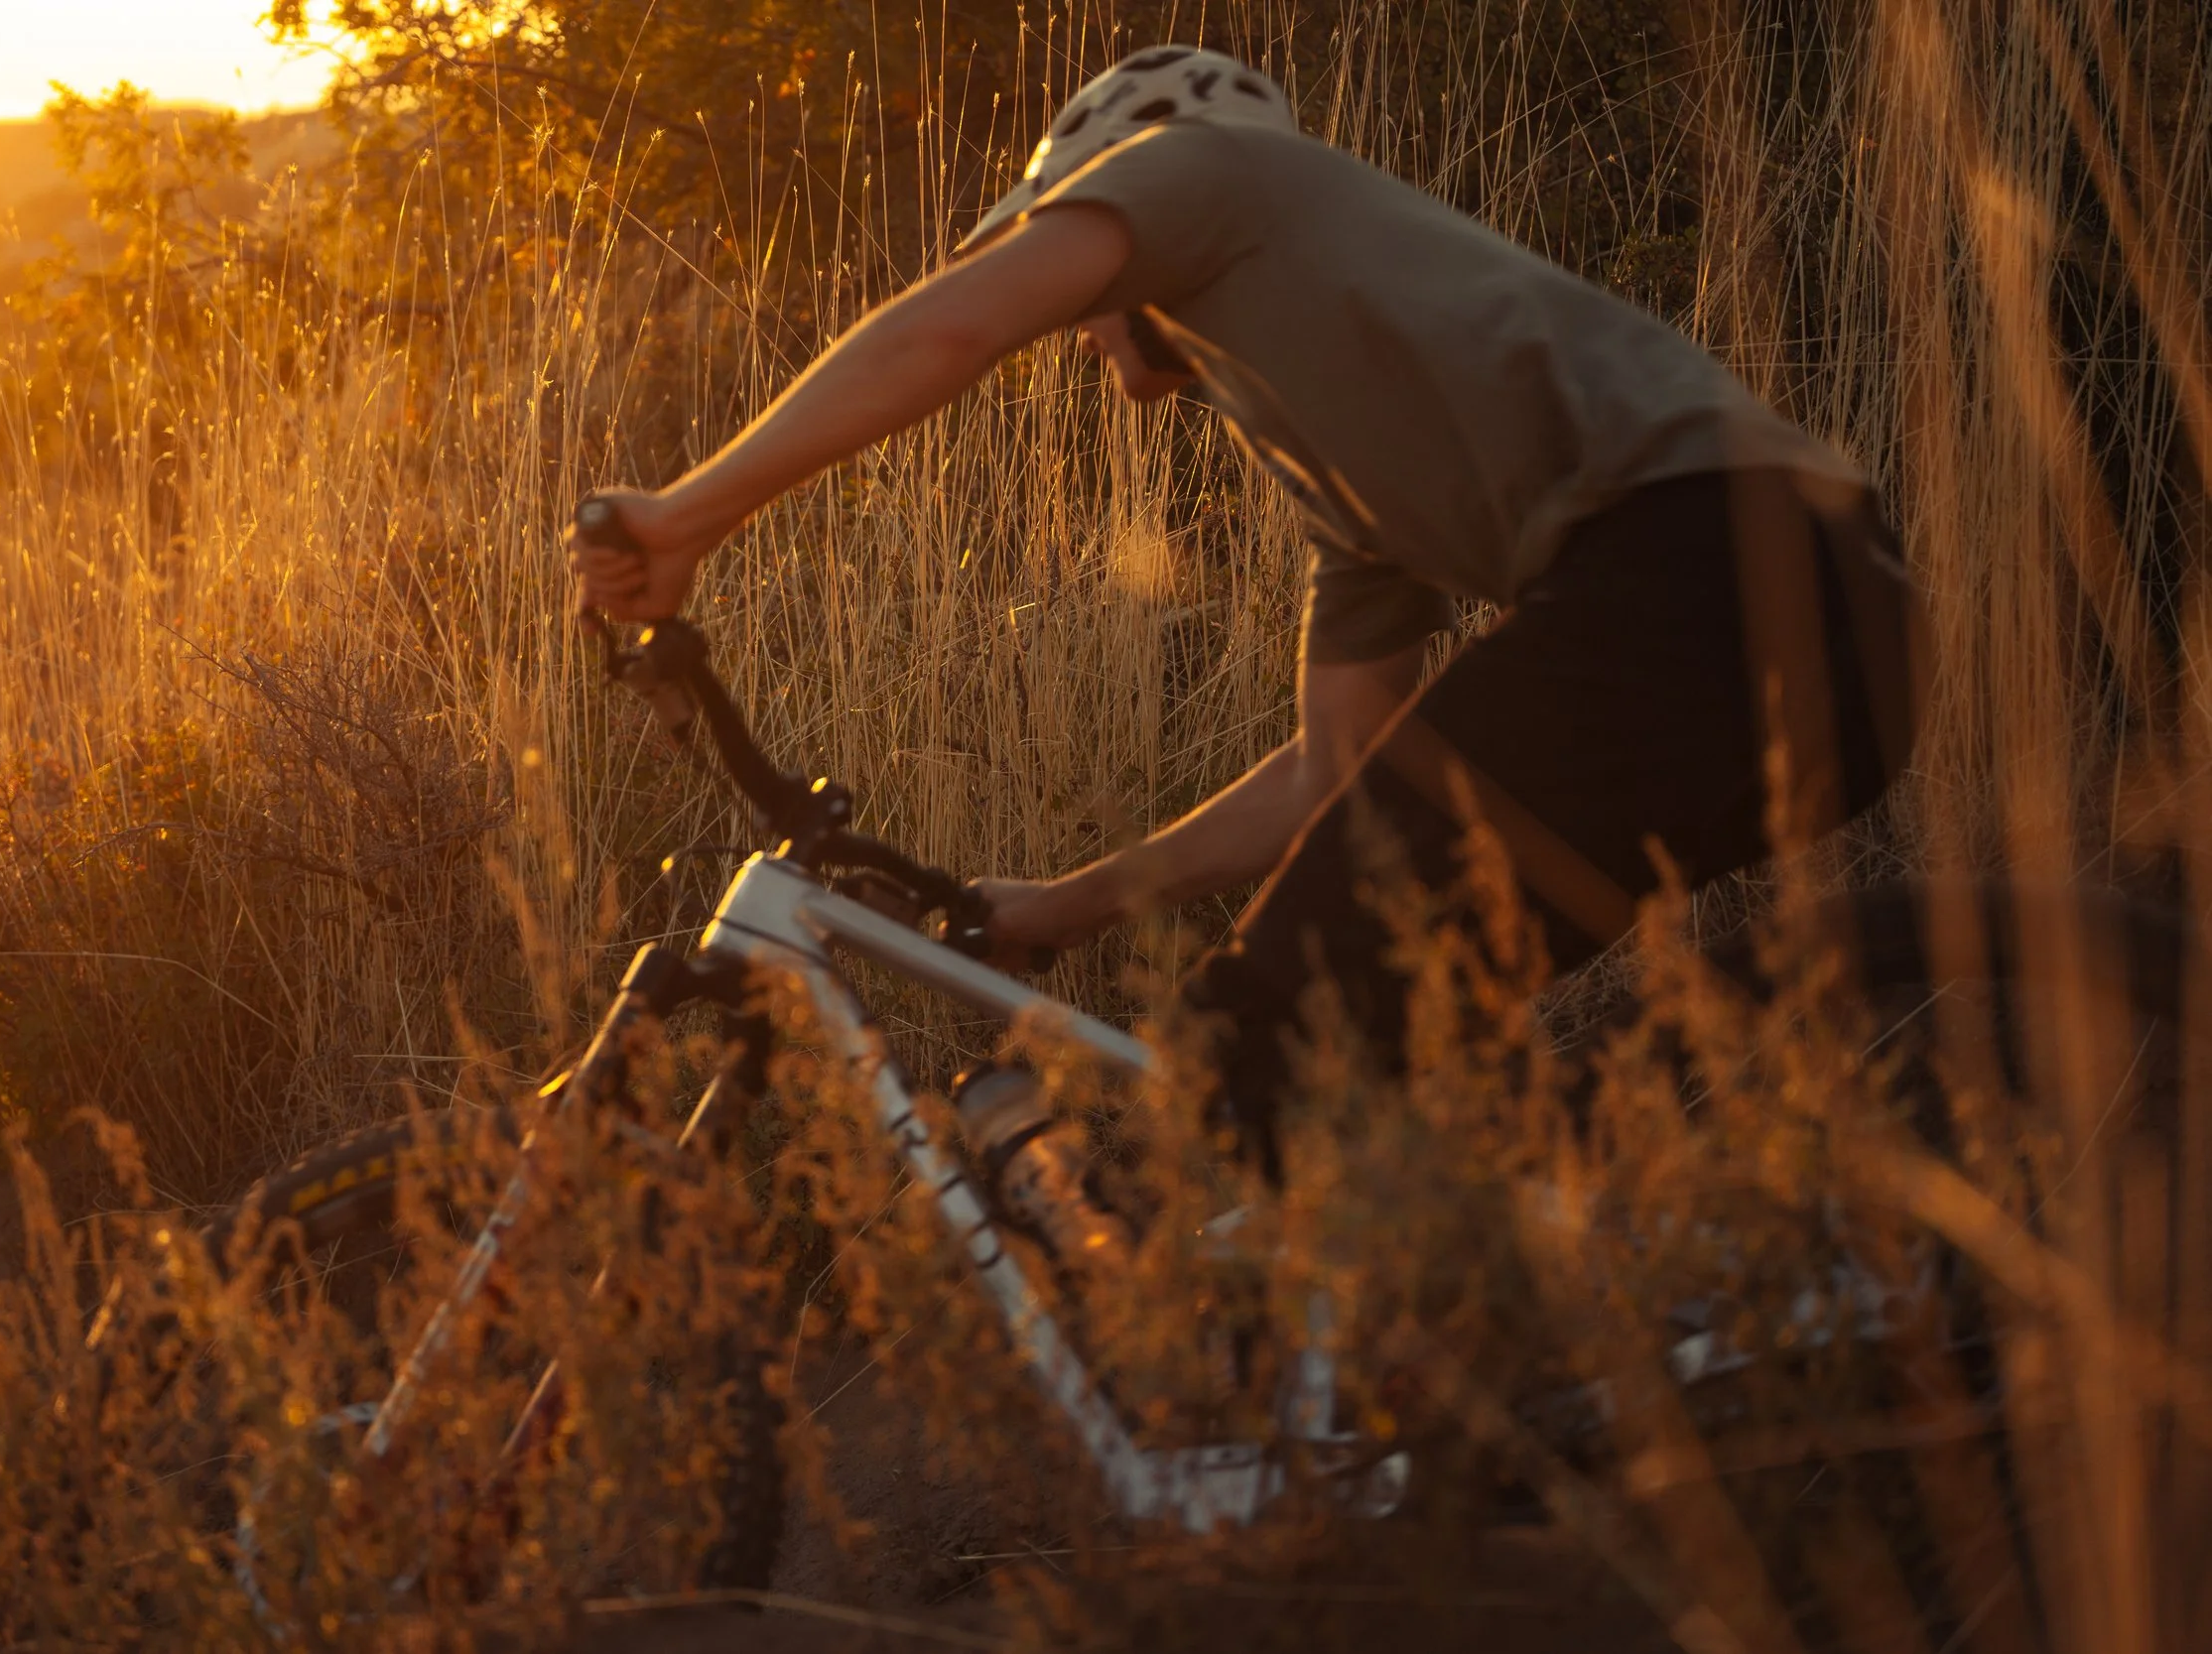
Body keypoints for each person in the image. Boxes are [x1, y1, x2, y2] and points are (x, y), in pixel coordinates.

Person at [570, 46, 1921, 1174]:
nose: (1094, 333)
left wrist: (685, 514)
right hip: (1837, 640)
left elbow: (952, 332)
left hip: (1713, 581)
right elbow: (1339, 770)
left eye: (1071, 248)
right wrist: (1074, 905)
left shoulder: (1206, 171)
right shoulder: (1342, 477)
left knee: (1268, 1026)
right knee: (1364, 1032)